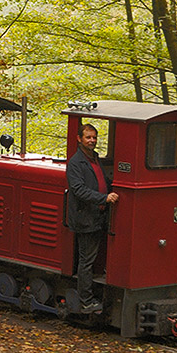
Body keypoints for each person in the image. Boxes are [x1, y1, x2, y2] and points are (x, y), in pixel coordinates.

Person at [66, 123, 119, 314]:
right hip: (85, 217)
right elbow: (78, 189)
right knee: (86, 260)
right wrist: (103, 198)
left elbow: (103, 181)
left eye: (94, 137)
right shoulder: (75, 163)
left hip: (98, 215)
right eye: (88, 137)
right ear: (79, 139)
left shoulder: (95, 159)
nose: (92, 141)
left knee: (91, 257)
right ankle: (85, 301)